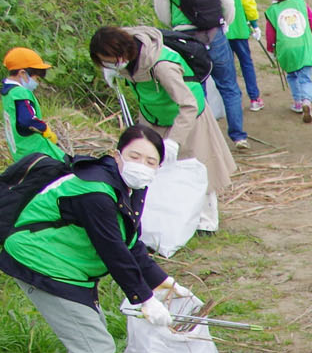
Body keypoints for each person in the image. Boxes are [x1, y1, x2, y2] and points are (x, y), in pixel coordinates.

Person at [0, 124, 180, 353]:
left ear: (158, 166)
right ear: (117, 155)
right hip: (42, 263)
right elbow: (113, 250)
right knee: (96, 346)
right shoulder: (95, 191)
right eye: (134, 156)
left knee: (86, 334)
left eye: (150, 161)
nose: (142, 165)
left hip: (71, 266)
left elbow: (130, 241)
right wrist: (144, 299)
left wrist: (165, 283)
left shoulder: (129, 187)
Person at [89, 25, 235, 228]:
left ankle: (207, 222)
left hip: (188, 117)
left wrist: (174, 141)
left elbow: (188, 104)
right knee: (155, 169)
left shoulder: (161, 65)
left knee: (199, 168)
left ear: (122, 53)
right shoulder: (126, 61)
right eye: (105, 62)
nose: (110, 65)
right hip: (154, 117)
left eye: (111, 61)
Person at [149, 0, 247, 147]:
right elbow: (226, 0)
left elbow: (163, 13)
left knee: (196, 89)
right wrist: (222, 24)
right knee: (229, 86)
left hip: (187, 38)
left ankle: (208, 140)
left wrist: (178, 28)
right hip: (214, 32)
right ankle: (239, 136)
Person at [207, 0, 264, 111]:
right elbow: (248, 0)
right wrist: (254, 23)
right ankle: (254, 98)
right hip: (239, 27)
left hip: (216, 31)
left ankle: (233, 102)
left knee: (227, 68)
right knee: (246, 63)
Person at [262, 0, 312, 122]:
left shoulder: (272, 10)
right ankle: (307, 101)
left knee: (292, 75)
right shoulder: (301, 3)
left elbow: (270, 34)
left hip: (286, 49)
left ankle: (298, 103)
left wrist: (271, 49)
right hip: (303, 46)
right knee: (305, 77)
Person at [1, 49, 64, 160]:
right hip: (35, 152)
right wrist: (44, 129)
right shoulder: (20, 93)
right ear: (22, 73)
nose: (37, 83)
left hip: (20, 152)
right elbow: (27, 120)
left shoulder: (8, 93)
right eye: (36, 78)